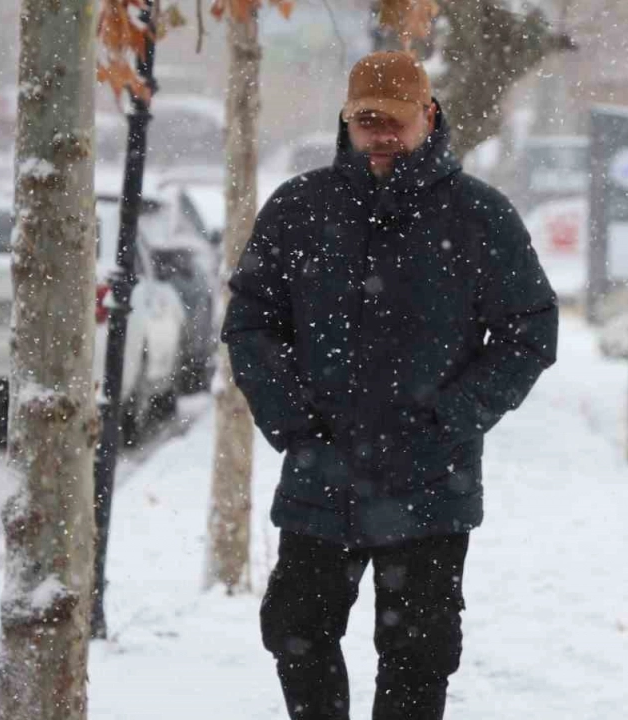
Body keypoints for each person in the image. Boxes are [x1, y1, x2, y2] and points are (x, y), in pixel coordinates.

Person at [222, 51, 558, 720]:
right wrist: (294, 423)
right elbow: (252, 323)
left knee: (419, 653)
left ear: (428, 116)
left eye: (395, 122)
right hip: (321, 475)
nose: (380, 136)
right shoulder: (299, 208)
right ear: (346, 119)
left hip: (431, 482)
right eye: (366, 121)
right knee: (296, 631)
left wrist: (451, 418)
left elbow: (530, 331)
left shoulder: (478, 216)